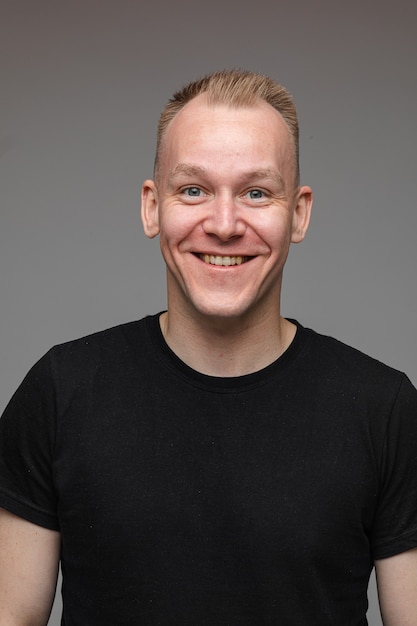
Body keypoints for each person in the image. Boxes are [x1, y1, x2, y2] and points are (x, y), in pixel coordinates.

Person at [0, 69, 416, 625]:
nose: (224, 224)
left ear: (298, 213)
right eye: (193, 189)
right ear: (153, 207)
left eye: (256, 192)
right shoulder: (61, 390)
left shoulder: (383, 408)